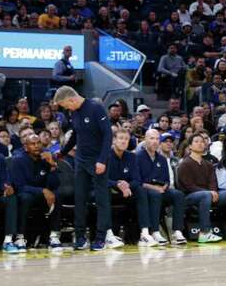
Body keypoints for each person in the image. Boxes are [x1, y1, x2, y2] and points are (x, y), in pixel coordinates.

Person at [54, 86, 112, 251]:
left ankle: (101, 237)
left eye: (65, 105)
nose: (66, 109)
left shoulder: (95, 108)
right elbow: (76, 135)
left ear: (71, 99)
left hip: (97, 161)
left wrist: (102, 161)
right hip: (81, 160)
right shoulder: (74, 112)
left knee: (101, 199)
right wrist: (63, 152)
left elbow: (108, 135)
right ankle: (80, 237)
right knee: (80, 199)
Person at [176, 133, 226, 243]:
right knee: (206, 195)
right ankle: (204, 233)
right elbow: (188, 186)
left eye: (202, 142)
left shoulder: (208, 164)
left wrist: (213, 191)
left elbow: (213, 181)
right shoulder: (184, 164)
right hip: (189, 196)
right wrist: (209, 192)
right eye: (196, 141)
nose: (200, 143)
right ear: (190, 146)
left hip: (209, 195)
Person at [9, 134, 63, 252]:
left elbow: (55, 184)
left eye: (39, 143)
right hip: (25, 193)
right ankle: (20, 237)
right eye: (33, 144)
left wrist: (52, 165)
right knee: (25, 198)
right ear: (25, 147)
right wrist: (42, 190)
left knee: (57, 195)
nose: (37, 146)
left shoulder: (46, 159)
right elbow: (19, 187)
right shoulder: (17, 160)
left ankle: (54, 235)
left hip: (42, 195)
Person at [135, 129, 187, 245]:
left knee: (178, 195)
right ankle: (155, 231)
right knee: (155, 195)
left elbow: (167, 180)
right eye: (151, 138)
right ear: (145, 140)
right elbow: (138, 181)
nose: (155, 141)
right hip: (145, 191)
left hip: (161, 189)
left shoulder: (162, 159)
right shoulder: (137, 157)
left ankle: (177, 231)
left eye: (157, 139)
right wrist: (155, 188)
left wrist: (164, 187)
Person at [105, 128, 145, 248]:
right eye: (121, 138)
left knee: (140, 191)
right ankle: (108, 235)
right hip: (108, 191)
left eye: (126, 139)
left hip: (124, 192)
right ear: (113, 140)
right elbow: (100, 179)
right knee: (104, 191)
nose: (123, 141)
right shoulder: (105, 155)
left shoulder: (131, 157)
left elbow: (137, 180)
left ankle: (145, 232)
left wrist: (127, 186)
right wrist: (117, 184)